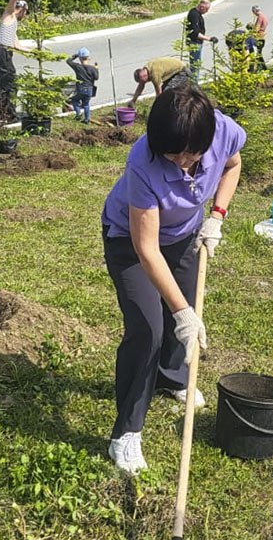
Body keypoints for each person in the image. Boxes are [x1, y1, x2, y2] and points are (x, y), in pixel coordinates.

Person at [101, 86, 245, 473]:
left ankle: (171, 376)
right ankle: (126, 433)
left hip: (184, 234)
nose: (182, 162)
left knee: (184, 311)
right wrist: (180, 311)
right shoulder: (142, 162)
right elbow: (146, 249)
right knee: (149, 326)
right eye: (172, 154)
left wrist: (216, 215)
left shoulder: (223, 131)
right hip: (129, 242)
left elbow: (232, 164)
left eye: (191, 154)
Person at [0, 0, 34, 121]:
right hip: (2, 51)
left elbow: (16, 45)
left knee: (12, 82)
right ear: (22, 8)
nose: (25, 16)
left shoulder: (13, 23)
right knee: (7, 83)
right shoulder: (9, 15)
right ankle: (7, 115)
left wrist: (33, 52)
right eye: (26, 13)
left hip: (7, 52)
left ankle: (10, 111)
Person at [185, 0, 216, 81]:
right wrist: (209, 38)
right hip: (194, 43)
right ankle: (194, 85)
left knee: (196, 65)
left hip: (197, 43)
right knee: (195, 66)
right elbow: (195, 33)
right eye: (207, 9)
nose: (207, 11)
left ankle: (194, 84)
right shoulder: (194, 14)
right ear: (202, 7)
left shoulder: (197, 14)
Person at [66, 47, 99, 124]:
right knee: (86, 104)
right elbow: (96, 78)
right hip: (90, 89)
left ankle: (78, 113)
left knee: (74, 100)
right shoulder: (92, 68)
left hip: (81, 89)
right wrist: (96, 69)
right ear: (88, 58)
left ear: (80, 59)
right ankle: (87, 119)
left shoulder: (77, 67)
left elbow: (68, 61)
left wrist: (76, 55)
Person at [247, 5, 268, 71]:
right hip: (262, 37)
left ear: (254, 11)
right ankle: (262, 68)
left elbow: (256, 29)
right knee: (259, 54)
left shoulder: (260, 17)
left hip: (259, 37)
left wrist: (251, 27)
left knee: (256, 54)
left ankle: (257, 69)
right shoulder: (264, 16)